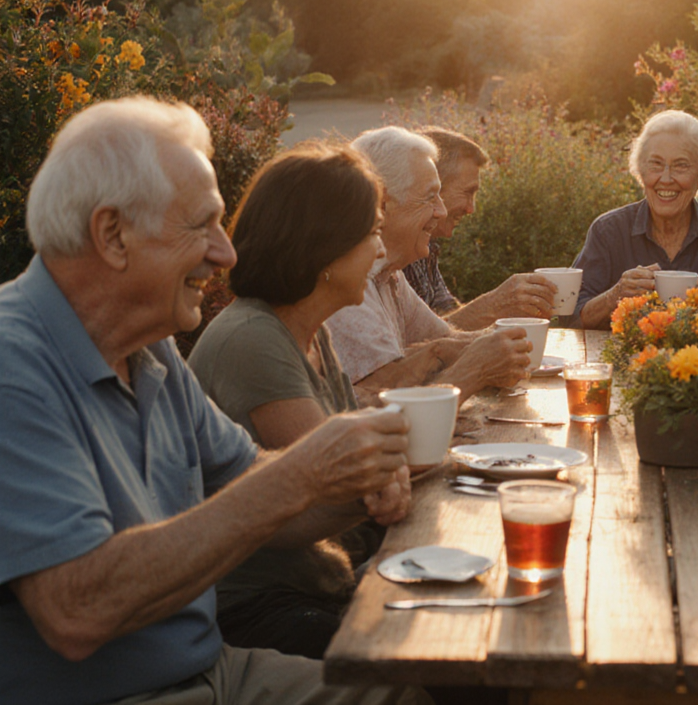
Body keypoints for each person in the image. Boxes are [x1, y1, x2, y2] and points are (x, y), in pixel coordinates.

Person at [0, 96, 426, 704]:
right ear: (112, 235)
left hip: (211, 671)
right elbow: (77, 609)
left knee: (410, 691)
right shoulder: (14, 365)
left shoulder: (151, 353)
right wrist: (302, 472)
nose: (225, 253)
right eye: (201, 225)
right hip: (118, 695)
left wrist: (354, 485)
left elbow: (250, 483)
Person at [188, 143, 406, 659]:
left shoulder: (311, 331)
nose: (380, 249)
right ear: (326, 249)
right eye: (373, 232)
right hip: (259, 609)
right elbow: (330, 487)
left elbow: (361, 476)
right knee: (429, 657)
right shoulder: (253, 339)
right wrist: (383, 477)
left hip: (319, 583)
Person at [327, 126, 531, 403]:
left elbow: (446, 338)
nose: (442, 211)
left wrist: (513, 341)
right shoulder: (346, 283)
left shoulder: (390, 274)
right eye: (430, 197)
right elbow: (389, 405)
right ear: (382, 202)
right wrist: (477, 366)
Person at [570, 110, 698, 333]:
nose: (665, 179)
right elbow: (571, 316)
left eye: (681, 165)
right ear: (640, 172)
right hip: (621, 366)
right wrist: (615, 295)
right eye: (655, 164)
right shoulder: (608, 231)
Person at [402, 126, 559, 329]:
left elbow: (445, 314)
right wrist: (494, 305)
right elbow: (414, 345)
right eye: (468, 192)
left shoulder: (428, 244)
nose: (471, 208)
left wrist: (508, 310)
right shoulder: (393, 252)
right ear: (431, 187)